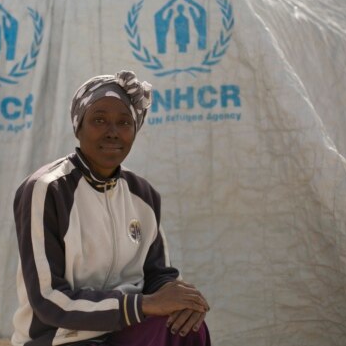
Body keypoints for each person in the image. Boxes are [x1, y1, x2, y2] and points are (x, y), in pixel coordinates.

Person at [12, 70, 211, 346]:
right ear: (78, 126)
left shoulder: (142, 194)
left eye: (124, 122)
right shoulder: (48, 190)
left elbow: (157, 274)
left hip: (124, 330)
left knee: (186, 327)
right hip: (61, 339)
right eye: (99, 120)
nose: (112, 132)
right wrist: (142, 305)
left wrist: (181, 299)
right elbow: (48, 299)